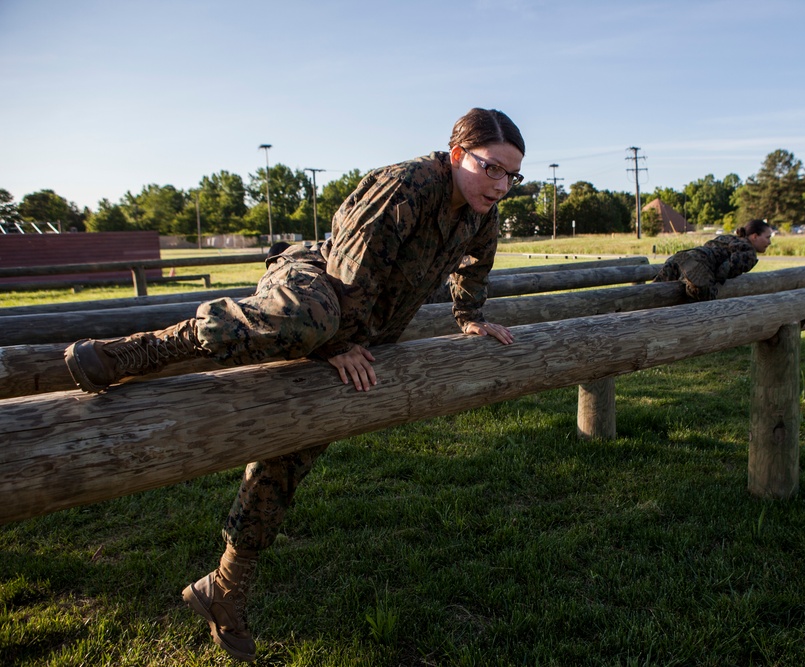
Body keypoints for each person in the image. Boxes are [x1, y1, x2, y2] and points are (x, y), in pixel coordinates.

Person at [63, 108, 526, 663]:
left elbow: (476, 265)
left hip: (363, 326)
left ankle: (225, 589)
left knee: (299, 438)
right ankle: (139, 351)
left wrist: (468, 315)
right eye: (491, 169)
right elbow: (350, 272)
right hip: (313, 285)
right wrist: (335, 345)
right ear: (457, 155)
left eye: (511, 177)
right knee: (310, 320)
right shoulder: (408, 185)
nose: (500, 186)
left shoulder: (479, 211)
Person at [652, 219, 773, 301]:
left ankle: (687, 274)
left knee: (654, 294)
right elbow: (724, 270)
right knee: (707, 298)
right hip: (702, 263)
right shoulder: (749, 252)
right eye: (767, 237)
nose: (769, 242)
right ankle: (692, 283)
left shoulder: (729, 238)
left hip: (684, 255)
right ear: (755, 236)